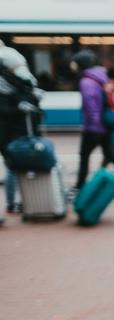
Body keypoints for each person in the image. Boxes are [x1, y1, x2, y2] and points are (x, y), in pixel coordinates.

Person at [71, 50, 114, 195]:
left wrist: (93, 127)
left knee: (84, 155)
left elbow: (91, 107)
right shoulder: (100, 77)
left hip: (94, 127)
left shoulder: (86, 82)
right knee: (112, 154)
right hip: (105, 125)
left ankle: (79, 186)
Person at [0, 41, 43, 219]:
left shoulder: (23, 80)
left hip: (23, 129)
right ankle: (12, 203)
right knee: (12, 165)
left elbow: (30, 99)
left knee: (19, 165)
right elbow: (4, 109)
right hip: (8, 132)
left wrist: (35, 99)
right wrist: (20, 107)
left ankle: (28, 200)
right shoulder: (4, 85)